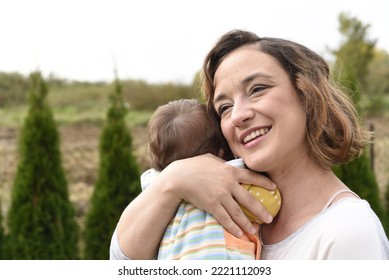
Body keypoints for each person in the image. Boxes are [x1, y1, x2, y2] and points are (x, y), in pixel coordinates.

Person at [115, 29, 389, 259]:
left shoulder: (347, 231)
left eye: (257, 89)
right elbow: (121, 260)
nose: (238, 115)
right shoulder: (212, 206)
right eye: (224, 107)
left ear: (307, 94)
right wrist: (172, 181)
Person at [110, 98, 281, 260]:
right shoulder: (232, 175)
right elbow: (268, 206)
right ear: (221, 152)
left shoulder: (155, 188)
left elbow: (123, 258)